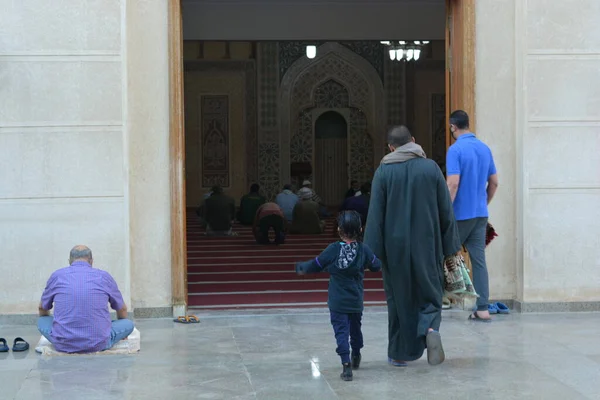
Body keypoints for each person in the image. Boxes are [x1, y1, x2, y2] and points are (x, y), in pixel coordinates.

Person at [364, 125, 461, 367]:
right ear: (414, 141)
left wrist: (370, 255)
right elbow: (445, 212)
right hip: (428, 244)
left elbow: (375, 216)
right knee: (430, 293)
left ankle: (399, 354)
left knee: (399, 300)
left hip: (395, 249)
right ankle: (429, 329)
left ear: (390, 147)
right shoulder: (430, 169)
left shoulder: (384, 172)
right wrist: (451, 247)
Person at [295, 211, 382, 381]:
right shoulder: (364, 250)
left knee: (341, 332)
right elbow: (376, 266)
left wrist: (299, 267)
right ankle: (356, 354)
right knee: (355, 330)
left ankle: (346, 365)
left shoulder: (333, 249)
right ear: (360, 229)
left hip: (337, 301)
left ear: (339, 230)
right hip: (355, 300)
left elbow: (316, 264)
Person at [446, 110, 499, 322]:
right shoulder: (484, 149)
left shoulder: (455, 149)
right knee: (479, 262)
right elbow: (494, 182)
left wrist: (446, 210)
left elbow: (453, 183)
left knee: (441, 256)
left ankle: (436, 301)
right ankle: (483, 308)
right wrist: (483, 203)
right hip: (480, 215)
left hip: (459, 216)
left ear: (453, 127)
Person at [37, 245, 134, 354]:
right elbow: (122, 309)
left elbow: (42, 308)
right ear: (91, 261)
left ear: (69, 261)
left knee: (42, 321)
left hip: (63, 344)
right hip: (99, 343)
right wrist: (123, 335)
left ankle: (63, 337)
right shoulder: (104, 276)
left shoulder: (57, 276)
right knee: (128, 324)